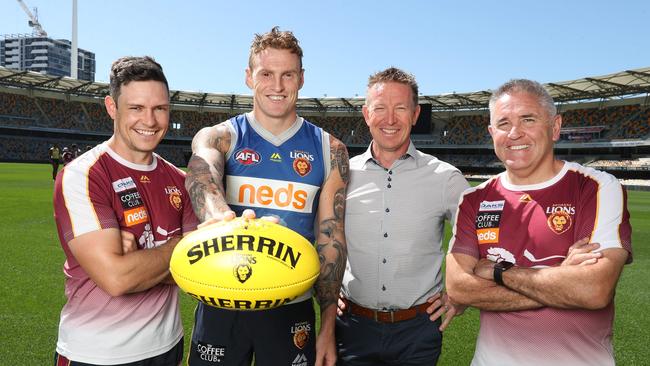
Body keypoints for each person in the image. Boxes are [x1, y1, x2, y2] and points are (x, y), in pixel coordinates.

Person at [185, 27, 349, 366]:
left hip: (291, 307)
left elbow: (330, 237)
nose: (277, 86)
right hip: (223, 301)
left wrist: (329, 323)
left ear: (301, 79)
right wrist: (220, 219)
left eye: (287, 74)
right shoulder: (220, 137)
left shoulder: (330, 150)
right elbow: (202, 175)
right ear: (248, 77)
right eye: (266, 74)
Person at [445, 79, 632, 366]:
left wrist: (498, 272)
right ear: (492, 132)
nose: (515, 133)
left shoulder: (596, 188)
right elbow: (460, 288)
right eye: (504, 123)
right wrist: (561, 280)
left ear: (555, 127)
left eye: (528, 119)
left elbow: (594, 290)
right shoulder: (473, 199)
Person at [52, 56, 199, 365]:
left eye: (159, 108)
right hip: (95, 354)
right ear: (112, 107)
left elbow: (196, 273)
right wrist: (177, 249)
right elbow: (116, 279)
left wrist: (139, 261)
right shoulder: (83, 174)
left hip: (166, 347)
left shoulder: (181, 180)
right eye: (136, 108)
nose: (150, 120)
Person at [335, 67, 469, 366]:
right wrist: (328, 291)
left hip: (418, 331)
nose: (390, 119)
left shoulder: (445, 177)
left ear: (415, 114)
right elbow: (321, 236)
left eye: (400, 108)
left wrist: (460, 294)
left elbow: (479, 239)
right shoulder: (341, 175)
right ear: (367, 114)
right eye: (380, 108)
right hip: (352, 327)